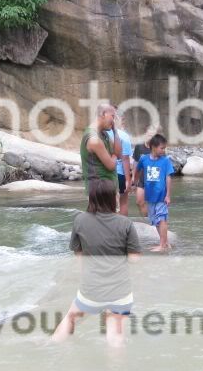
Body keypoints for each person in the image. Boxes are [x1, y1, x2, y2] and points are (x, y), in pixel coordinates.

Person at [52, 178, 142, 347]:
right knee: (115, 338)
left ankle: (47, 352)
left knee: (69, 321)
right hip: (119, 290)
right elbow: (134, 259)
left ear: (91, 198)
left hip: (90, 289)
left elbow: (79, 255)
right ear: (112, 198)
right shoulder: (126, 224)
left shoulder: (80, 220)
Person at [134, 134, 174, 252]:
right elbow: (137, 170)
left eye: (164, 148)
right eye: (162, 148)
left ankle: (162, 245)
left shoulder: (165, 161)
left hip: (161, 196)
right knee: (156, 221)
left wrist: (168, 195)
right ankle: (165, 243)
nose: (163, 150)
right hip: (150, 196)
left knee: (162, 219)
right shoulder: (144, 159)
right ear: (153, 147)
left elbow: (168, 177)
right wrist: (133, 182)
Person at [80, 103, 122, 191]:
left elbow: (118, 153)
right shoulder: (94, 139)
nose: (114, 121)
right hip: (99, 191)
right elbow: (111, 165)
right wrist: (114, 156)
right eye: (112, 116)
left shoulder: (104, 134)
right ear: (103, 114)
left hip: (107, 190)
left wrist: (115, 131)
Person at [106, 117, 134, 215]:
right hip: (120, 173)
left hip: (105, 173)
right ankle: (123, 228)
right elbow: (125, 159)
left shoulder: (101, 133)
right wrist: (128, 180)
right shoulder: (124, 136)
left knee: (107, 202)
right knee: (124, 202)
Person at [132, 128, 157, 218]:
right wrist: (133, 178)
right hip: (141, 178)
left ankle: (153, 221)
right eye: (149, 135)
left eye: (152, 136)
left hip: (153, 178)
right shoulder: (139, 146)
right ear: (146, 134)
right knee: (139, 201)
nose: (150, 137)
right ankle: (148, 218)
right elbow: (135, 162)